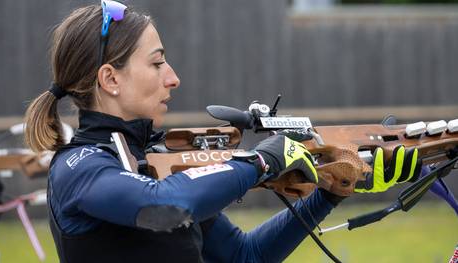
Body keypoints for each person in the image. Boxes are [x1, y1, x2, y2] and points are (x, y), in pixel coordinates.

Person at [24, 1, 420, 262]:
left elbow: (245, 257)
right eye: (157, 63)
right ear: (110, 79)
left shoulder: (155, 160)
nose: (173, 78)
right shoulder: (79, 166)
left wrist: (329, 194)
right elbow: (163, 207)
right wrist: (262, 160)